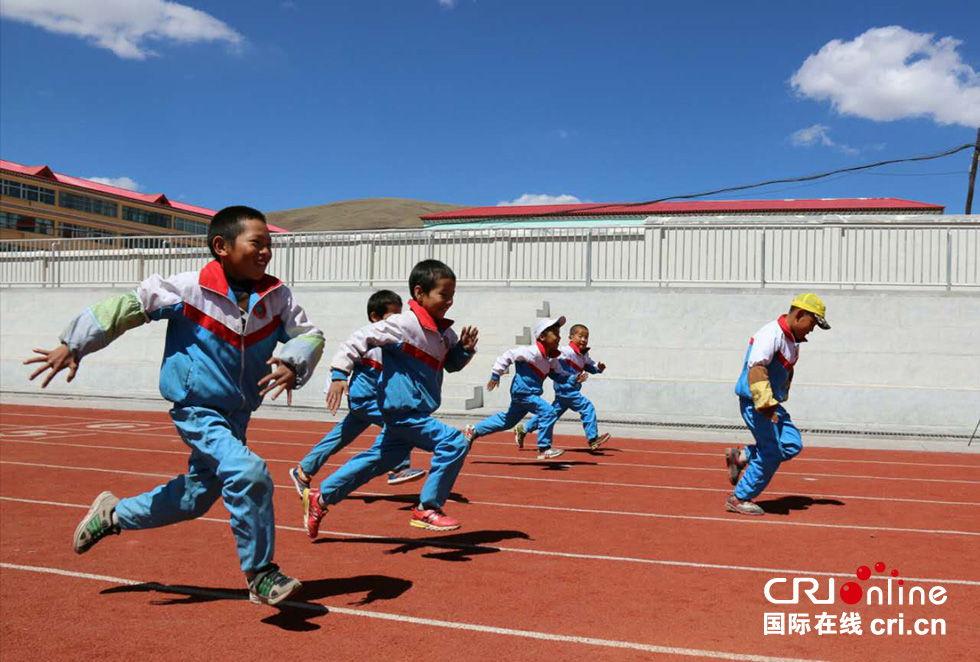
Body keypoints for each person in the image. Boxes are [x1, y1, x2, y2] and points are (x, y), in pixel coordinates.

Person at [25, 206, 324, 606]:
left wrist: (292, 361)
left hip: (238, 415)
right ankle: (261, 574)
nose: (266, 252)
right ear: (222, 246)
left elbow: (310, 334)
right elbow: (126, 307)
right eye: (257, 243)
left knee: (194, 499)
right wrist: (73, 343)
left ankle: (113, 515)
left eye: (269, 245)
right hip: (197, 409)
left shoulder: (277, 296)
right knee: (248, 471)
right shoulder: (187, 289)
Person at [301, 259, 478, 537]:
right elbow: (359, 338)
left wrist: (464, 351)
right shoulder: (402, 325)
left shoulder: (446, 333)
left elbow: (451, 365)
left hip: (416, 412)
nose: (449, 301)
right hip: (402, 411)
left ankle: (320, 498)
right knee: (454, 441)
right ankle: (427, 507)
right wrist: (338, 375)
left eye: (452, 296)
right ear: (420, 293)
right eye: (443, 295)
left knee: (377, 461)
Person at [289, 290, 425, 496]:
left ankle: (303, 470)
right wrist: (335, 381)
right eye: (392, 316)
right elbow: (345, 355)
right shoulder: (369, 339)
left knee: (338, 438)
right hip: (364, 401)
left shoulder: (393, 341)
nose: (397, 321)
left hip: (370, 402)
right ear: (374, 317)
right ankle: (397, 468)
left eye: (400, 315)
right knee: (400, 422)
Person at [726, 293, 831, 515]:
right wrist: (766, 407)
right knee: (771, 452)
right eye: (812, 323)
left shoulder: (791, 339)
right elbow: (757, 368)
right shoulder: (771, 333)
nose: (812, 330)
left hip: (770, 402)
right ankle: (739, 497)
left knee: (792, 444)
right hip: (756, 402)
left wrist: (777, 401)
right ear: (801, 314)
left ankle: (741, 456)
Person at [464, 317, 569, 460]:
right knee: (548, 412)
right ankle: (544, 448)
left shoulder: (551, 359)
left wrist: (574, 379)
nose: (559, 337)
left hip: (527, 395)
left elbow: (560, 376)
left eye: (559, 334)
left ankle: (474, 430)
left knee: (507, 421)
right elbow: (508, 356)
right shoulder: (530, 352)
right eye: (555, 334)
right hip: (523, 392)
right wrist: (496, 374)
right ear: (542, 337)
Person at [517, 323, 610, 452]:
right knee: (587, 407)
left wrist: (598, 368)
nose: (584, 340)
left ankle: (523, 429)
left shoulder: (584, 355)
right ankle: (592, 438)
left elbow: (591, 365)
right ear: (571, 337)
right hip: (566, 389)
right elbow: (551, 357)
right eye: (580, 336)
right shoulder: (565, 351)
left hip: (566, 393)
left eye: (586, 337)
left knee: (551, 414)